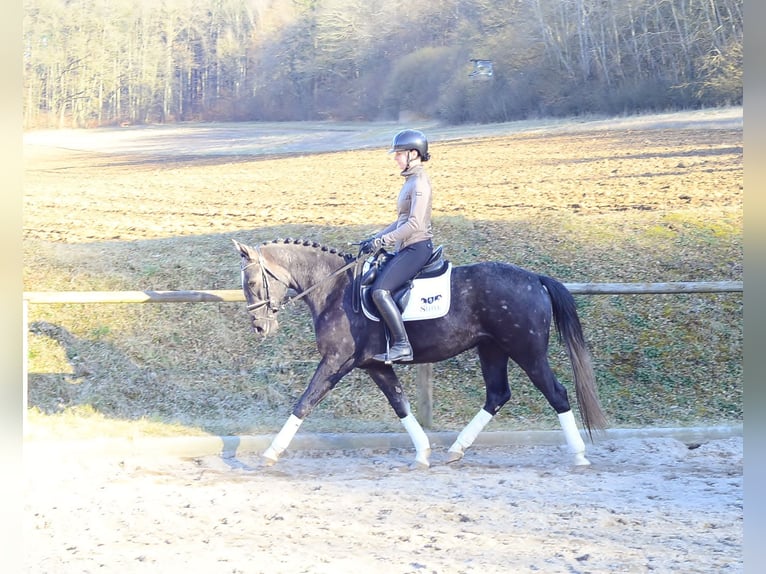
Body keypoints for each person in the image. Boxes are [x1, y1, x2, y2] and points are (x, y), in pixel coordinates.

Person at [360, 129, 434, 363]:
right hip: (406, 246)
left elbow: (414, 223)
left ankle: (402, 345)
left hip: (417, 247)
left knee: (380, 291)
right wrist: (374, 239)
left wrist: (382, 241)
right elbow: (400, 221)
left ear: (413, 154)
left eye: (399, 153)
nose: (395, 158)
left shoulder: (419, 183)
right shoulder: (410, 181)